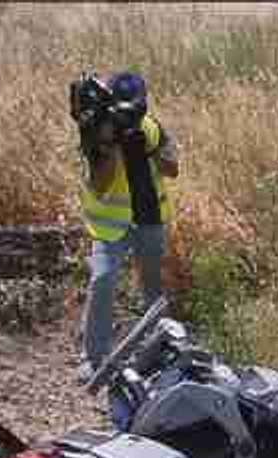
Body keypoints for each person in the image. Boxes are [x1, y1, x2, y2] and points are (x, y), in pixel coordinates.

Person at [75, 70, 180, 381]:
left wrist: (145, 148)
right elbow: (100, 184)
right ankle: (93, 358)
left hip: (150, 219)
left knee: (152, 289)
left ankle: (155, 353)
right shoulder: (97, 131)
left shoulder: (151, 128)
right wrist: (111, 147)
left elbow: (173, 169)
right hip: (110, 228)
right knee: (103, 280)